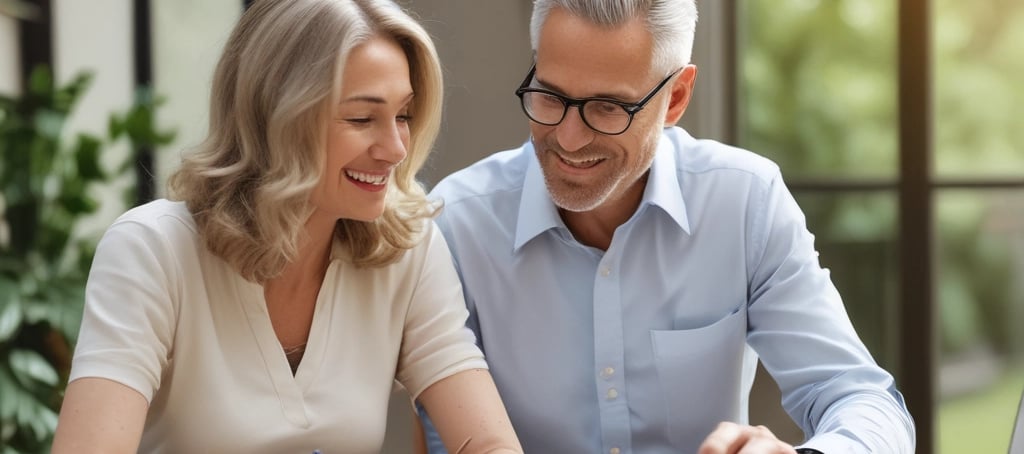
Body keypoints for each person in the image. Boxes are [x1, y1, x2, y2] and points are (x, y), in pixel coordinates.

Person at [418, 1, 916, 453]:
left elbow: (862, 397)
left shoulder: (745, 202)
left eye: (608, 107)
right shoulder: (457, 225)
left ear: (675, 98)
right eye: (550, 97)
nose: (568, 138)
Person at [51, 0, 523, 452]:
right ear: (276, 118)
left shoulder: (407, 246)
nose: (397, 148)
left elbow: (485, 442)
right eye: (362, 118)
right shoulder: (152, 250)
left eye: (403, 115)